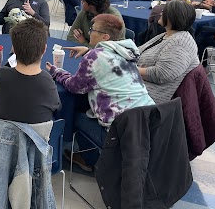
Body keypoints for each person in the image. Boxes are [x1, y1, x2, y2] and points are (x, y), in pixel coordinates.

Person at [46, 14, 154, 168]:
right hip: (147, 124)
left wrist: (57, 72)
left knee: (74, 114)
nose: (89, 33)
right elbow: (106, 61)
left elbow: (74, 86)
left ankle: (88, 159)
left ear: (105, 36)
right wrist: (88, 51)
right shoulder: (127, 52)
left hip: (119, 133)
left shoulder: (95, 57)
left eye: (92, 30)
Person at [0, 18, 61, 124]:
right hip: (38, 138)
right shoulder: (46, 80)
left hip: (5, 136)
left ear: (14, 50)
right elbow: (57, 107)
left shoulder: (1, 75)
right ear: (44, 49)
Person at [138, 0, 199, 103]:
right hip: (137, 86)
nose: (161, 13)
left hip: (146, 98)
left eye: (164, 11)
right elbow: (139, 51)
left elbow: (162, 74)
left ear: (172, 17)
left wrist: (131, 69)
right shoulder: (166, 35)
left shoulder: (181, 43)